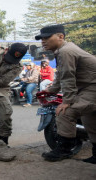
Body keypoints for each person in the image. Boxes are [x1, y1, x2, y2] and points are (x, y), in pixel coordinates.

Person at [35, 24, 96, 164]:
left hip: (92, 87)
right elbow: (62, 76)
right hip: (88, 87)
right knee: (90, 121)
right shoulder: (63, 50)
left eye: (46, 37)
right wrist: (50, 90)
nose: (43, 41)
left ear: (60, 37)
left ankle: (64, 149)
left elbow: (68, 78)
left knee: (65, 112)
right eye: (41, 38)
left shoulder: (66, 51)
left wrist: (67, 102)